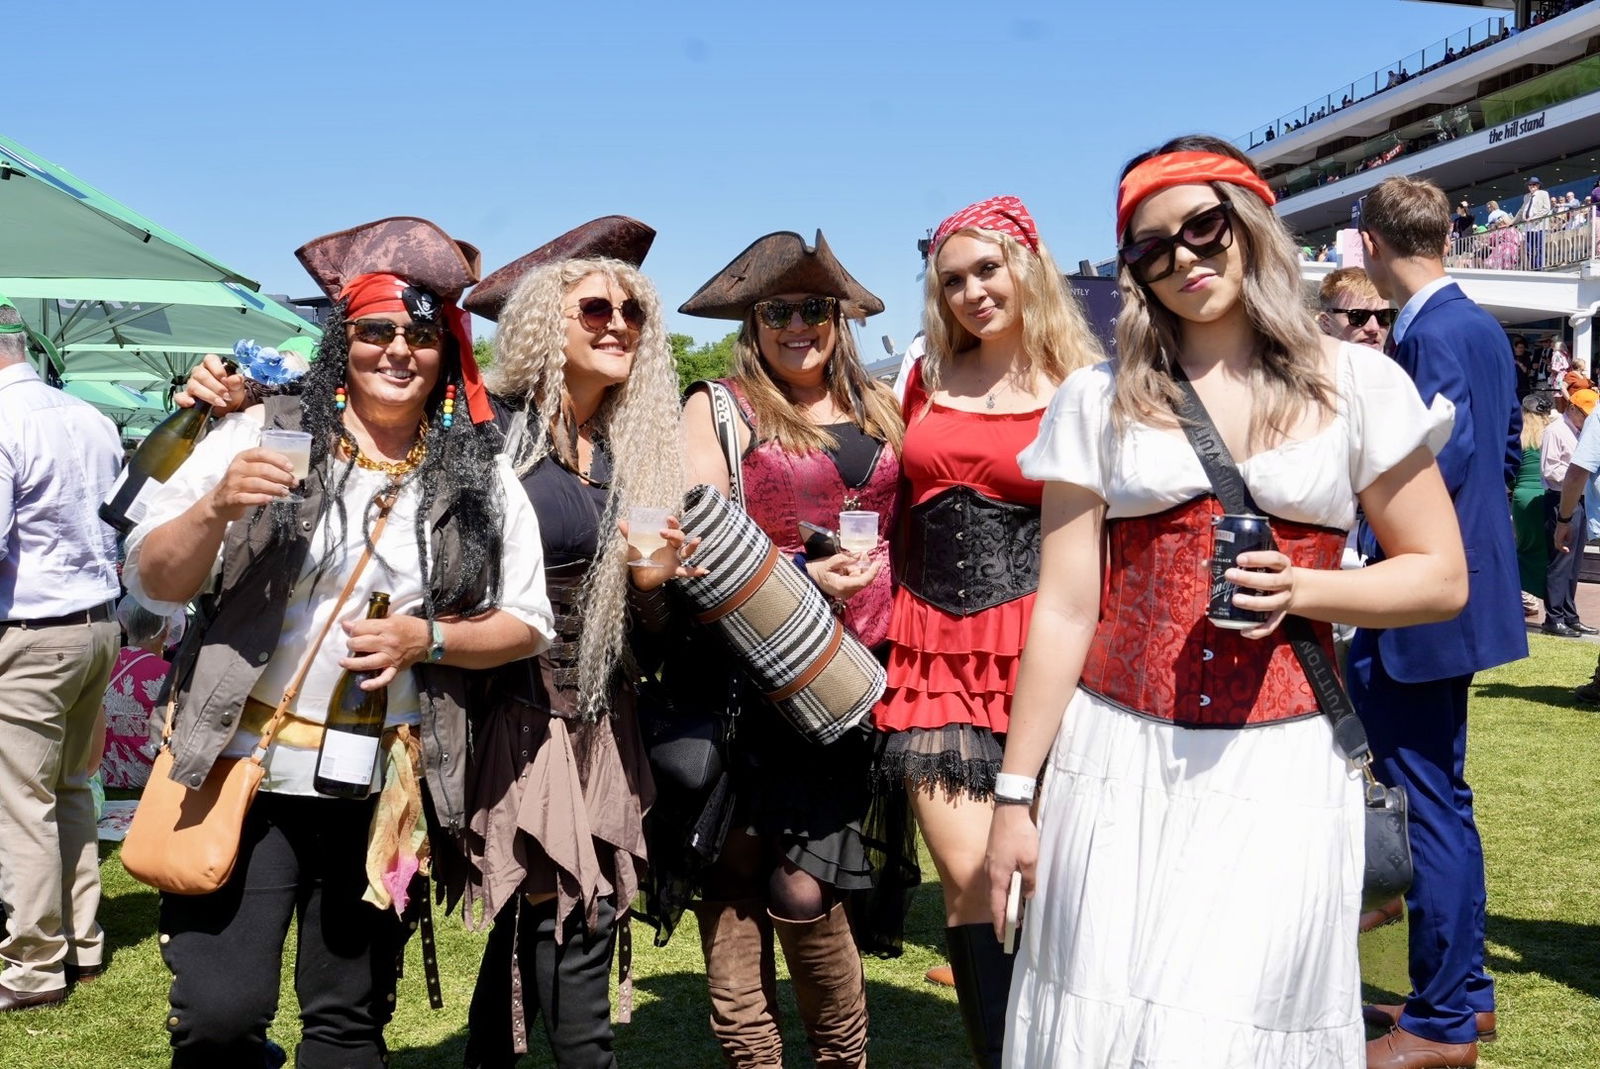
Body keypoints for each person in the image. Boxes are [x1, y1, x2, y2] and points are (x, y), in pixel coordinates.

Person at [984, 136, 1468, 1069]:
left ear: (1248, 223)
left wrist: (1310, 587)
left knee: (1239, 1024)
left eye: (1202, 227)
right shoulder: (1096, 399)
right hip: (1114, 759)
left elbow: (1440, 574)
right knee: (1107, 1018)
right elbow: (1065, 607)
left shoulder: (1357, 381)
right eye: (1150, 249)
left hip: (1282, 767)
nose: (1183, 260)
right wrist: (1015, 794)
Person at [124, 217, 554, 1068]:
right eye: (375, 332)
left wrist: (424, 636)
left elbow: (527, 618)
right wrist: (213, 510)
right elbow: (152, 582)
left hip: (380, 783)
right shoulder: (267, 431)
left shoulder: (478, 467)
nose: (399, 351)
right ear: (341, 342)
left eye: (422, 335)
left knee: (348, 1023)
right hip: (238, 763)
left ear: (444, 350)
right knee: (216, 1013)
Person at [875, 194, 1103, 1067]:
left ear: (1028, 267)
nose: (973, 291)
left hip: (1047, 654)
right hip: (931, 650)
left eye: (987, 270)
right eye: (953, 278)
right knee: (971, 880)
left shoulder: (1087, 387)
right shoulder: (922, 377)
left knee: (1043, 880)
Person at [457, 218, 688, 1068]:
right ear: (544, 325)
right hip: (524, 719)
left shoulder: (630, 453)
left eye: (633, 313)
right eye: (595, 308)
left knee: (536, 925)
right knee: (573, 925)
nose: (618, 324)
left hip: (606, 719)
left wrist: (653, 584)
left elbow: (650, 635)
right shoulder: (496, 435)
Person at [674, 229, 907, 1069]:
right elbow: (699, 538)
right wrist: (803, 575)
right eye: (779, 309)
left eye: (816, 307)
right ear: (754, 321)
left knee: (804, 884)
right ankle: (755, 1061)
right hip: (747, 677)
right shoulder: (720, 406)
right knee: (736, 879)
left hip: (853, 678)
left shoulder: (882, 408)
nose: (798, 324)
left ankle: (842, 1059)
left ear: (840, 319)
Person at [1353, 176, 1527, 1069]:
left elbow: (1436, 459)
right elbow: (1491, 458)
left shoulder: (1433, 330)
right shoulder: (1479, 326)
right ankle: (1467, 996)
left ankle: (1444, 1016)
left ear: (1370, 244)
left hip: (1423, 600)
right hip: (1458, 591)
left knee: (1425, 806)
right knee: (1441, 798)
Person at [0, 292, 123, 1012]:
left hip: (32, 630)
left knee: (21, 802)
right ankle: (81, 941)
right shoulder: (91, 416)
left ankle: (32, 963)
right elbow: (118, 529)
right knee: (70, 787)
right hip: (95, 623)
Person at [97, 595, 186, 790]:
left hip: (101, 773)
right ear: (165, 632)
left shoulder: (102, 664)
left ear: (128, 626)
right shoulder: (169, 676)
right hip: (147, 777)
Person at [1541, 388, 1598, 636]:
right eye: (1583, 414)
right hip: (1561, 499)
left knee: (1574, 564)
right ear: (1572, 408)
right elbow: (1550, 470)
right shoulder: (1555, 431)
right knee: (1560, 561)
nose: (1585, 419)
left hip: (1580, 500)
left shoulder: (1581, 430)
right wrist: (1575, 482)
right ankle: (1554, 617)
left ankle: (1569, 613)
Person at [1512, 395, 1555, 618]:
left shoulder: (1518, 437)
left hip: (1522, 497)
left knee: (1524, 547)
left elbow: (1509, 470)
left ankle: (1525, 598)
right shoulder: (1553, 434)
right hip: (1547, 496)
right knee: (1549, 550)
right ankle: (1550, 597)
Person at [1316, 267, 1395, 351]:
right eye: (1358, 316)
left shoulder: (1403, 361)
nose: (1374, 328)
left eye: (1383, 316)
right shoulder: (1307, 363)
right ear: (1326, 323)